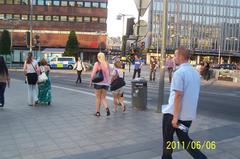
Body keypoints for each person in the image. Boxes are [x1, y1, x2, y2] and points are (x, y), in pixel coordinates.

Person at [161, 47, 207, 159]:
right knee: (185, 140)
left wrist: (175, 118)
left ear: (181, 57)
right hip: (187, 116)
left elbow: (178, 96)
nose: (174, 58)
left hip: (173, 114)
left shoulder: (179, 73)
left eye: (175, 55)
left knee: (168, 141)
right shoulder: (195, 73)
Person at [90, 52, 110, 117]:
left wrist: (91, 81)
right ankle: (107, 108)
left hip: (98, 83)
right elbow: (108, 74)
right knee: (103, 98)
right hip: (106, 83)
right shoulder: (107, 64)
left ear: (98, 57)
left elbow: (93, 73)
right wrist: (108, 82)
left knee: (98, 98)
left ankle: (98, 112)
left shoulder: (97, 63)